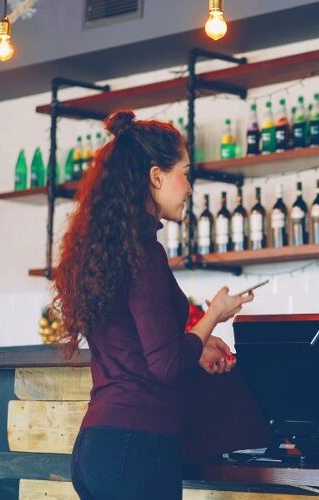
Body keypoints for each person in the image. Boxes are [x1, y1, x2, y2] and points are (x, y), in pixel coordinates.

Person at [52, 110, 253, 500]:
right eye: (185, 172)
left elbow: (142, 351)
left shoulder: (110, 250)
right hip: (136, 449)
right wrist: (213, 315)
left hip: (99, 446)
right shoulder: (144, 253)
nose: (190, 187)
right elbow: (165, 365)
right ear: (156, 176)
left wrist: (195, 345)